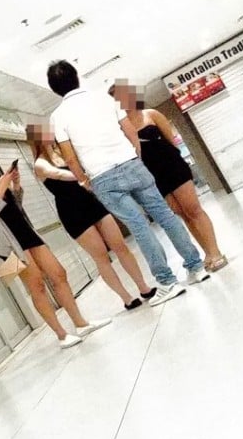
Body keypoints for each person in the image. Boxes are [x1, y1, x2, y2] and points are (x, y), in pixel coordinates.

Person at [46, 61, 209, 306]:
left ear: (54, 88)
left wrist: (83, 179)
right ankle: (196, 267)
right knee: (165, 215)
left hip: (102, 176)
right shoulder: (104, 99)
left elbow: (69, 156)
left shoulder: (58, 117)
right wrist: (136, 156)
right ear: (76, 76)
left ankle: (166, 282)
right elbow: (129, 131)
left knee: (140, 227)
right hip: (131, 162)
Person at [0, 139, 112, 348]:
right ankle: (62, 335)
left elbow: (14, 208)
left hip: (27, 233)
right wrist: (2, 188)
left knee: (58, 274)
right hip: (7, 246)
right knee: (36, 286)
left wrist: (15, 186)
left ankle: (81, 323)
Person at [26, 123, 156, 310]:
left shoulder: (63, 152)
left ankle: (143, 286)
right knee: (101, 257)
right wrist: (81, 176)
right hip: (72, 211)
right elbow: (57, 174)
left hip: (90, 202)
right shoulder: (40, 163)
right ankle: (126, 297)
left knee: (120, 246)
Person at [111, 82, 229, 272]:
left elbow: (171, 140)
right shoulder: (120, 128)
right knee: (181, 214)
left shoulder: (151, 114)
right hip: (152, 177)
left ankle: (215, 252)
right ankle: (206, 252)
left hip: (173, 166)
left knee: (193, 209)